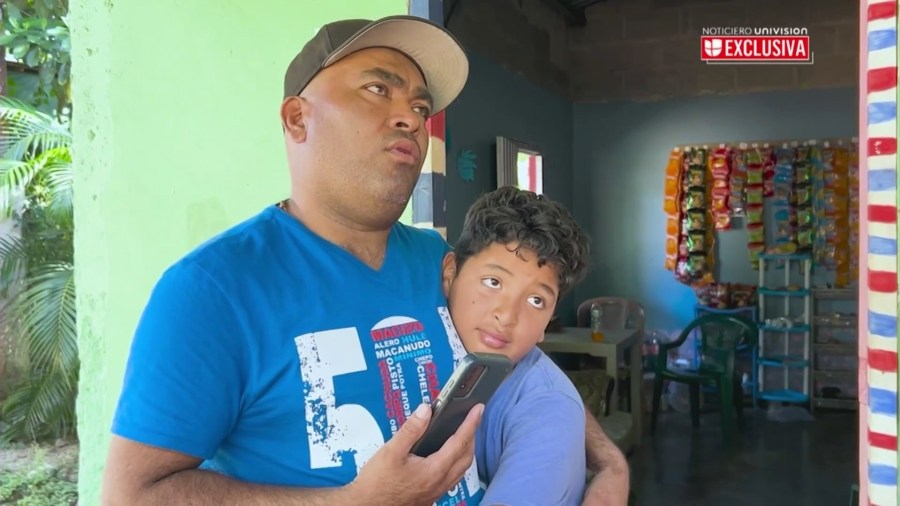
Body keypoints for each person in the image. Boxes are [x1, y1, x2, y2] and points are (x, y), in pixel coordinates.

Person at [101, 14, 629, 506]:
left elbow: (524, 363)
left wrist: (606, 460)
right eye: (378, 89)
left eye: (421, 108)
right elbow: (133, 495)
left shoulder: (438, 263)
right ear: (296, 118)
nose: (410, 118)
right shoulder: (213, 291)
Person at [441, 186, 589, 504]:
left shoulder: (549, 413)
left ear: (546, 325)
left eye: (536, 300)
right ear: (450, 273)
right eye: (494, 282)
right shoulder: (432, 347)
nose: (507, 316)